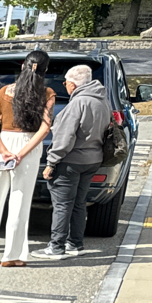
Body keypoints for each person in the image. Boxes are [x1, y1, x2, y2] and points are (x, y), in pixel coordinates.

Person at [0, 49, 55, 266]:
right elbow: (45, 128)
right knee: (20, 200)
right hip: (28, 147)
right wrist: (21, 153)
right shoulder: (47, 93)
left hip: (2, 143)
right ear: (45, 70)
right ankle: (12, 255)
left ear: (23, 66)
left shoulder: (3, 91)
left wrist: (3, 151)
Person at [36, 63, 107, 260]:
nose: (65, 86)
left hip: (71, 160)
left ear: (73, 85)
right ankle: (75, 244)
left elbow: (65, 137)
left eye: (66, 82)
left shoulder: (77, 103)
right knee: (79, 203)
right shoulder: (102, 100)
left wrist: (51, 163)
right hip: (93, 159)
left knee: (62, 204)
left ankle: (56, 247)